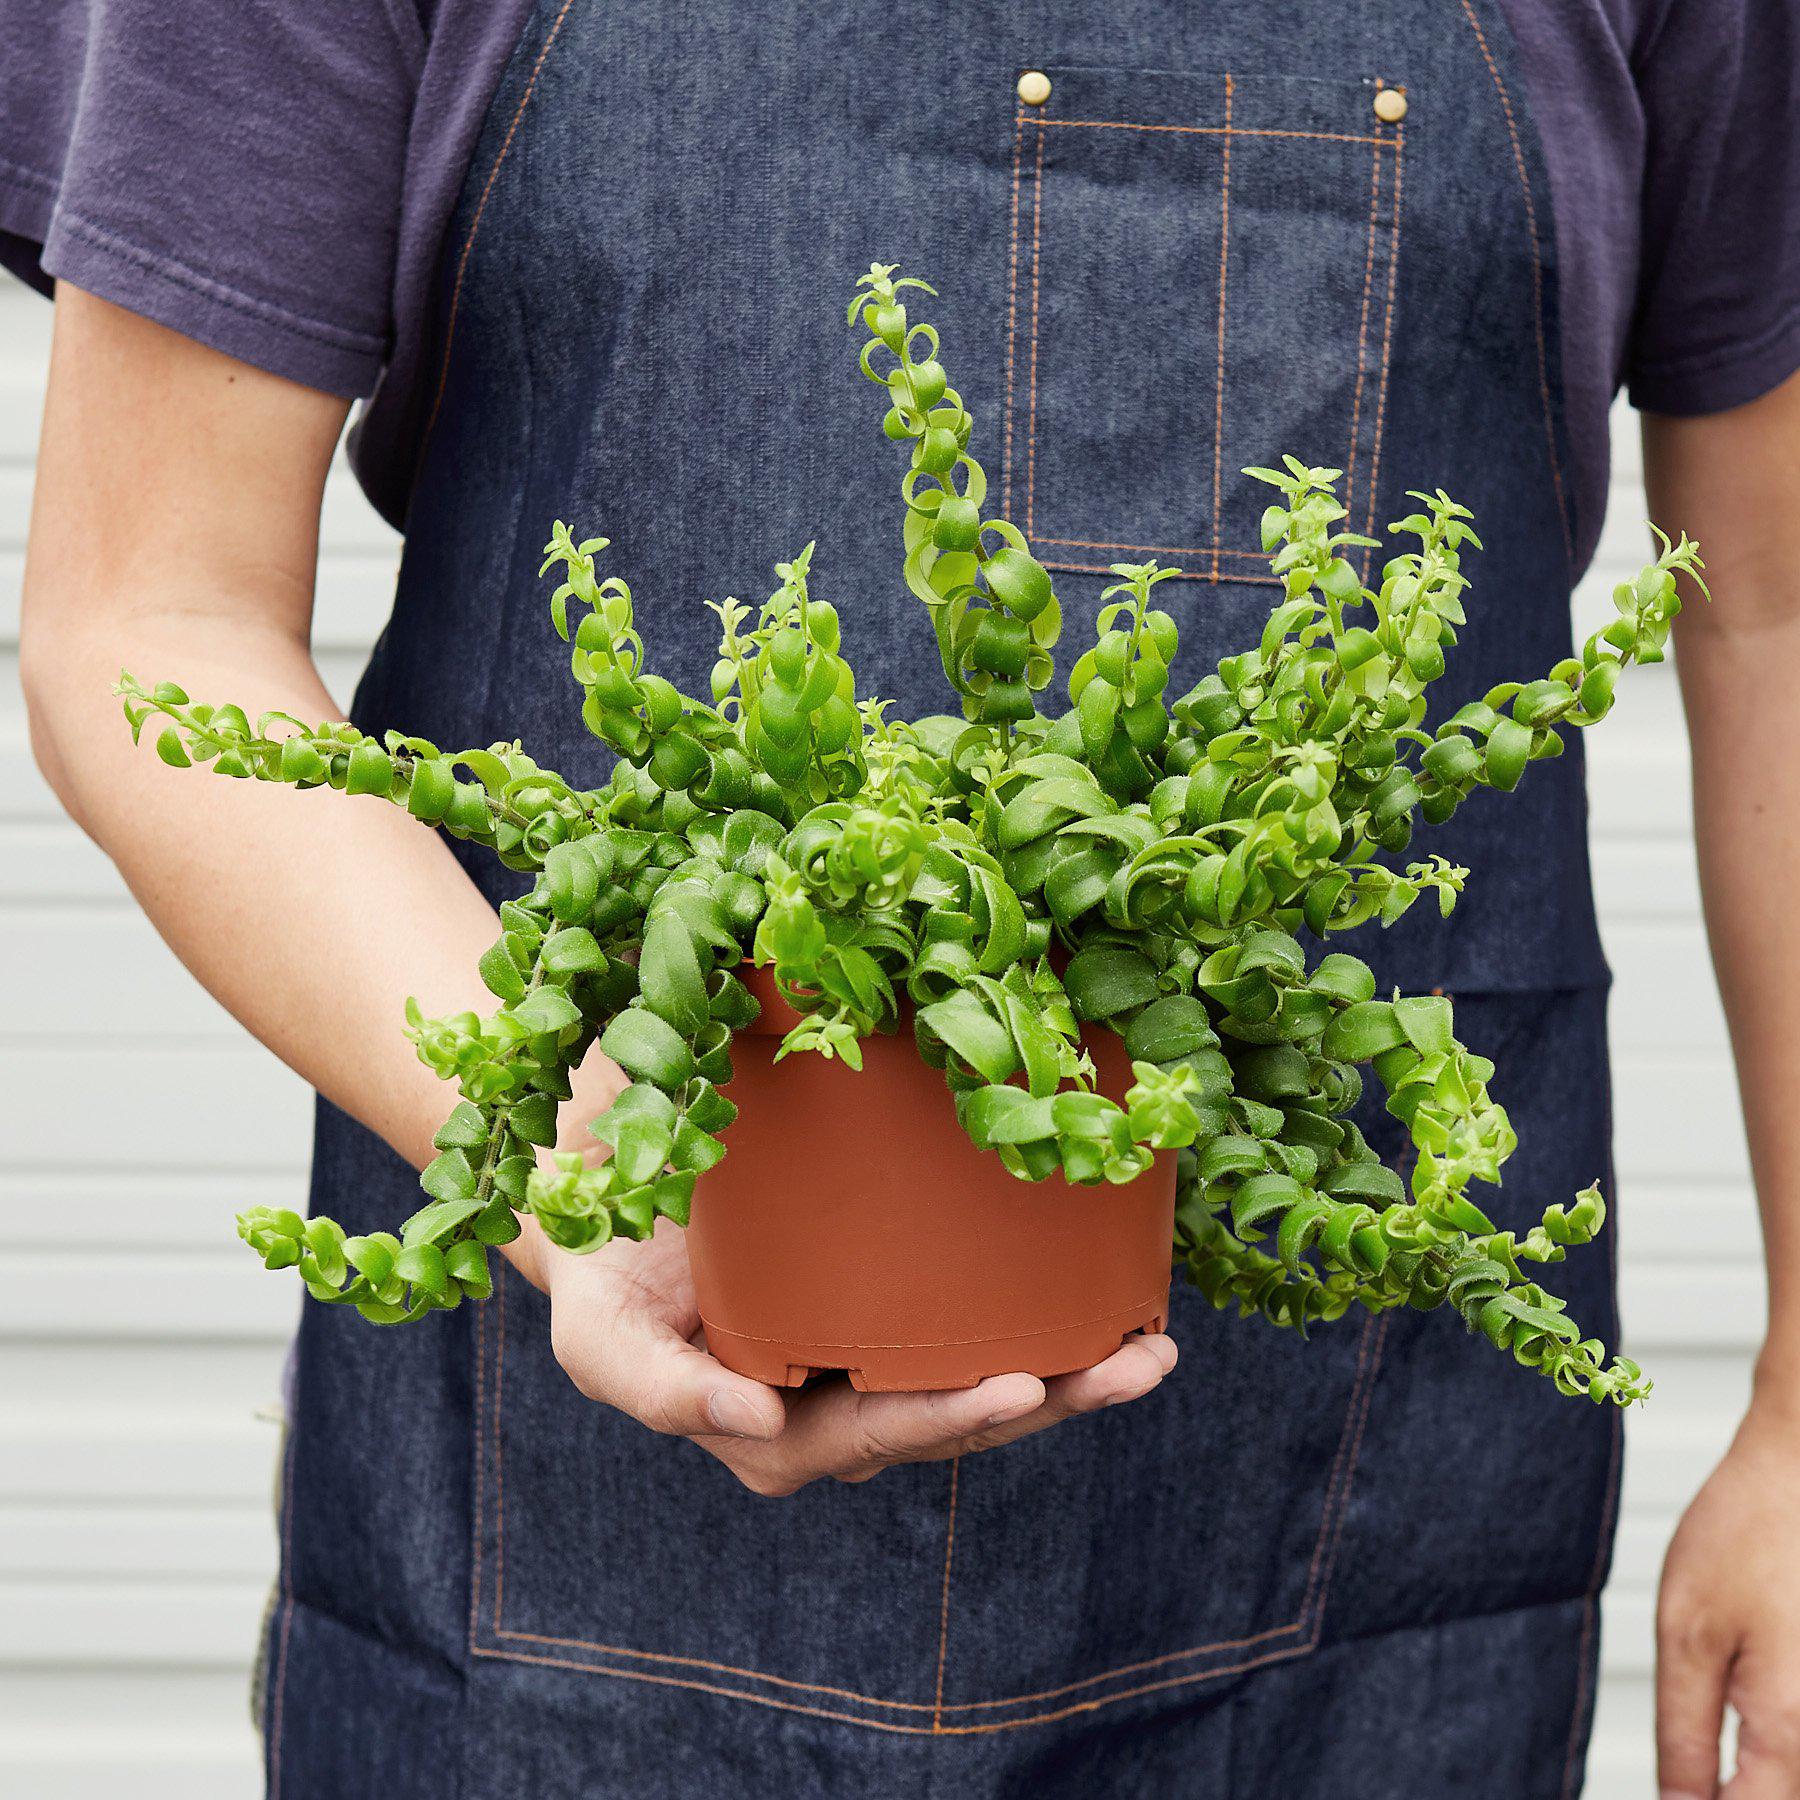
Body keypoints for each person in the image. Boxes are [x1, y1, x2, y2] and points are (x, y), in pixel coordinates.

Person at [6, 2, 1798, 1794]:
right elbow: (147, 616)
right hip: (579, 1519)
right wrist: (582, 1160)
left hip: (1355, 1518)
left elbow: (1775, 615)